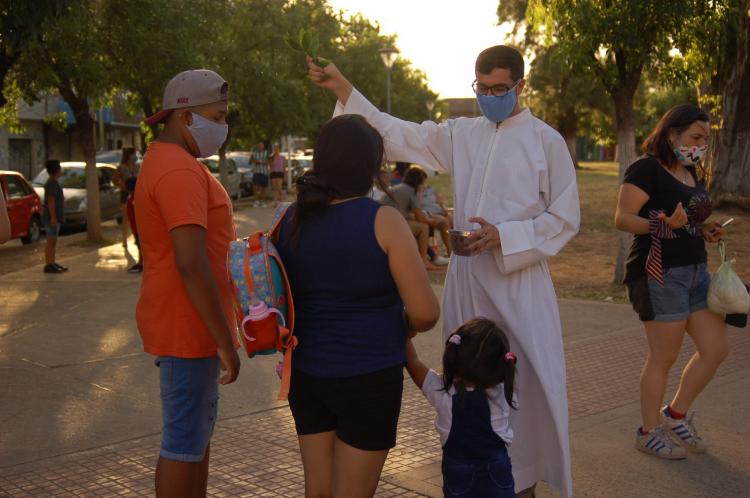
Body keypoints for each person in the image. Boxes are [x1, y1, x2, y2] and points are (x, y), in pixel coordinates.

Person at [308, 44, 580, 497]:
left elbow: (564, 217)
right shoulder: (463, 134)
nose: (490, 96)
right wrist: (344, 88)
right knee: (465, 381)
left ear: (520, 85)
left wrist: (506, 237)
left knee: (523, 387)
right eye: (482, 88)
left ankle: (520, 482)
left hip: (519, 288)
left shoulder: (545, 141)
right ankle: (469, 472)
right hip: (468, 281)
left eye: (499, 88)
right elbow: (397, 134)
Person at [276, 114, 440, 498]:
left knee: (317, 491)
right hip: (368, 376)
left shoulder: (289, 218)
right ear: (371, 165)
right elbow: (426, 312)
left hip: (306, 373)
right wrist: (401, 321)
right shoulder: (383, 221)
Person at [136, 69, 240, 498]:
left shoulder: (175, 162)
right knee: (183, 444)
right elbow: (191, 262)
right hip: (188, 326)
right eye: (216, 116)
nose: (223, 126)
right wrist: (225, 341)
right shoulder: (178, 170)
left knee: (194, 441)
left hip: (190, 323)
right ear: (185, 117)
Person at [615, 104, 727, 460]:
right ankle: (648, 432)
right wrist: (664, 225)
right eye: (695, 136)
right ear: (671, 133)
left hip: (696, 270)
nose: (701, 145)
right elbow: (622, 218)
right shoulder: (646, 169)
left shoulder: (694, 173)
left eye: (705, 139)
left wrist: (704, 230)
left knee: (715, 349)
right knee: (664, 357)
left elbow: (688, 220)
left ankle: (675, 415)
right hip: (659, 273)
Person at [405, 318, 518, 498]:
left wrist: (403, 334)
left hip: (459, 477)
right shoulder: (504, 393)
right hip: (498, 476)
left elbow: (413, 362)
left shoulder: (443, 393)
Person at [382, 166, 446, 270]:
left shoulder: (399, 187)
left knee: (417, 223)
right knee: (424, 227)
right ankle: (423, 261)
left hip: (384, 221)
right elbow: (420, 217)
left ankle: (430, 257)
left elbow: (410, 213)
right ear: (419, 181)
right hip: (392, 224)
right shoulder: (411, 190)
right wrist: (432, 221)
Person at [42, 159, 67, 274]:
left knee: (54, 240)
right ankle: (49, 264)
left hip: (55, 216)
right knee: (51, 240)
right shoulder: (51, 183)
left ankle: (52, 262)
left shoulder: (54, 182)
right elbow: (50, 201)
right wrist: (53, 217)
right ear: (56, 170)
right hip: (51, 217)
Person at [113, 147, 139, 247]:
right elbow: (114, 180)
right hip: (125, 195)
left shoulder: (138, 167)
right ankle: (124, 239)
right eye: (134, 154)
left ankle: (136, 237)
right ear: (129, 155)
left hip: (137, 195)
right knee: (126, 217)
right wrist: (122, 186)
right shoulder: (121, 168)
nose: (135, 156)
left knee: (136, 218)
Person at [125, 176, 143, 273]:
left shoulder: (135, 198)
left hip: (138, 228)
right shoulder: (132, 196)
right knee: (139, 245)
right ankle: (141, 262)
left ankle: (141, 263)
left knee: (141, 246)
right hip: (136, 227)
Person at [251, 140, 270, 205]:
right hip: (256, 172)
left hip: (264, 172)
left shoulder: (266, 153)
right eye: (259, 145)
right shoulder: (254, 153)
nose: (260, 146)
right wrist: (257, 161)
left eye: (261, 145)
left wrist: (260, 162)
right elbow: (251, 161)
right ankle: (256, 200)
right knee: (255, 187)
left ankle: (263, 201)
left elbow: (269, 161)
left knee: (263, 187)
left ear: (263, 146)